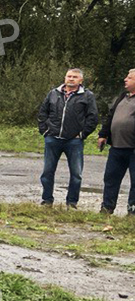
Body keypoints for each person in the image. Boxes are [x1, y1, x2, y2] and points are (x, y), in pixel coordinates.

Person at [37, 68, 98, 208]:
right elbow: (42, 113)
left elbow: (92, 117)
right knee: (47, 171)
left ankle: (71, 202)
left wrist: (82, 135)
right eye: (69, 76)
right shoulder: (53, 93)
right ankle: (47, 200)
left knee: (76, 174)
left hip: (74, 141)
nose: (71, 79)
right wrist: (45, 131)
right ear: (65, 78)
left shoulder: (87, 96)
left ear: (81, 80)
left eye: (75, 77)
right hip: (53, 138)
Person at [97, 68, 135, 215]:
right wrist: (103, 134)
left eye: (129, 78)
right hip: (117, 147)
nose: (125, 79)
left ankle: (132, 211)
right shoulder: (122, 96)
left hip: (133, 148)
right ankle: (107, 207)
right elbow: (110, 116)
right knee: (110, 178)